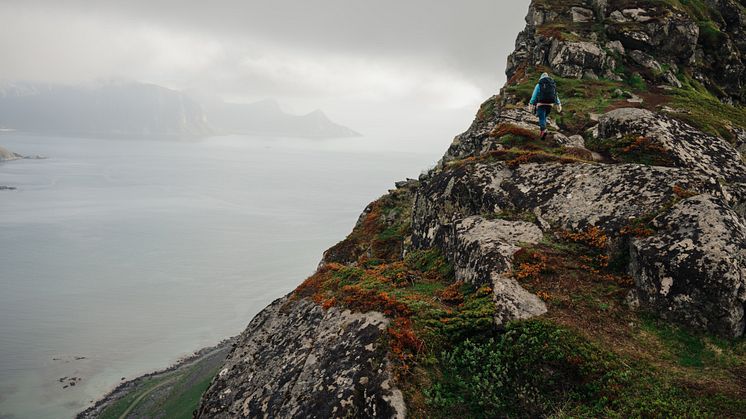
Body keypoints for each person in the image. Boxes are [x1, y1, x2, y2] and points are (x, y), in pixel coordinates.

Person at [528, 73, 562, 140]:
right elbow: (555, 95)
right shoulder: (552, 85)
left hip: (541, 104)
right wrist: (558, 104)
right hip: (550, 105)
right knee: (544, 117)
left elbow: (534, 95)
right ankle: (542, 133)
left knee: (541, 118)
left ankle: (543, 130)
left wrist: (531, 103)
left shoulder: (539, 84)